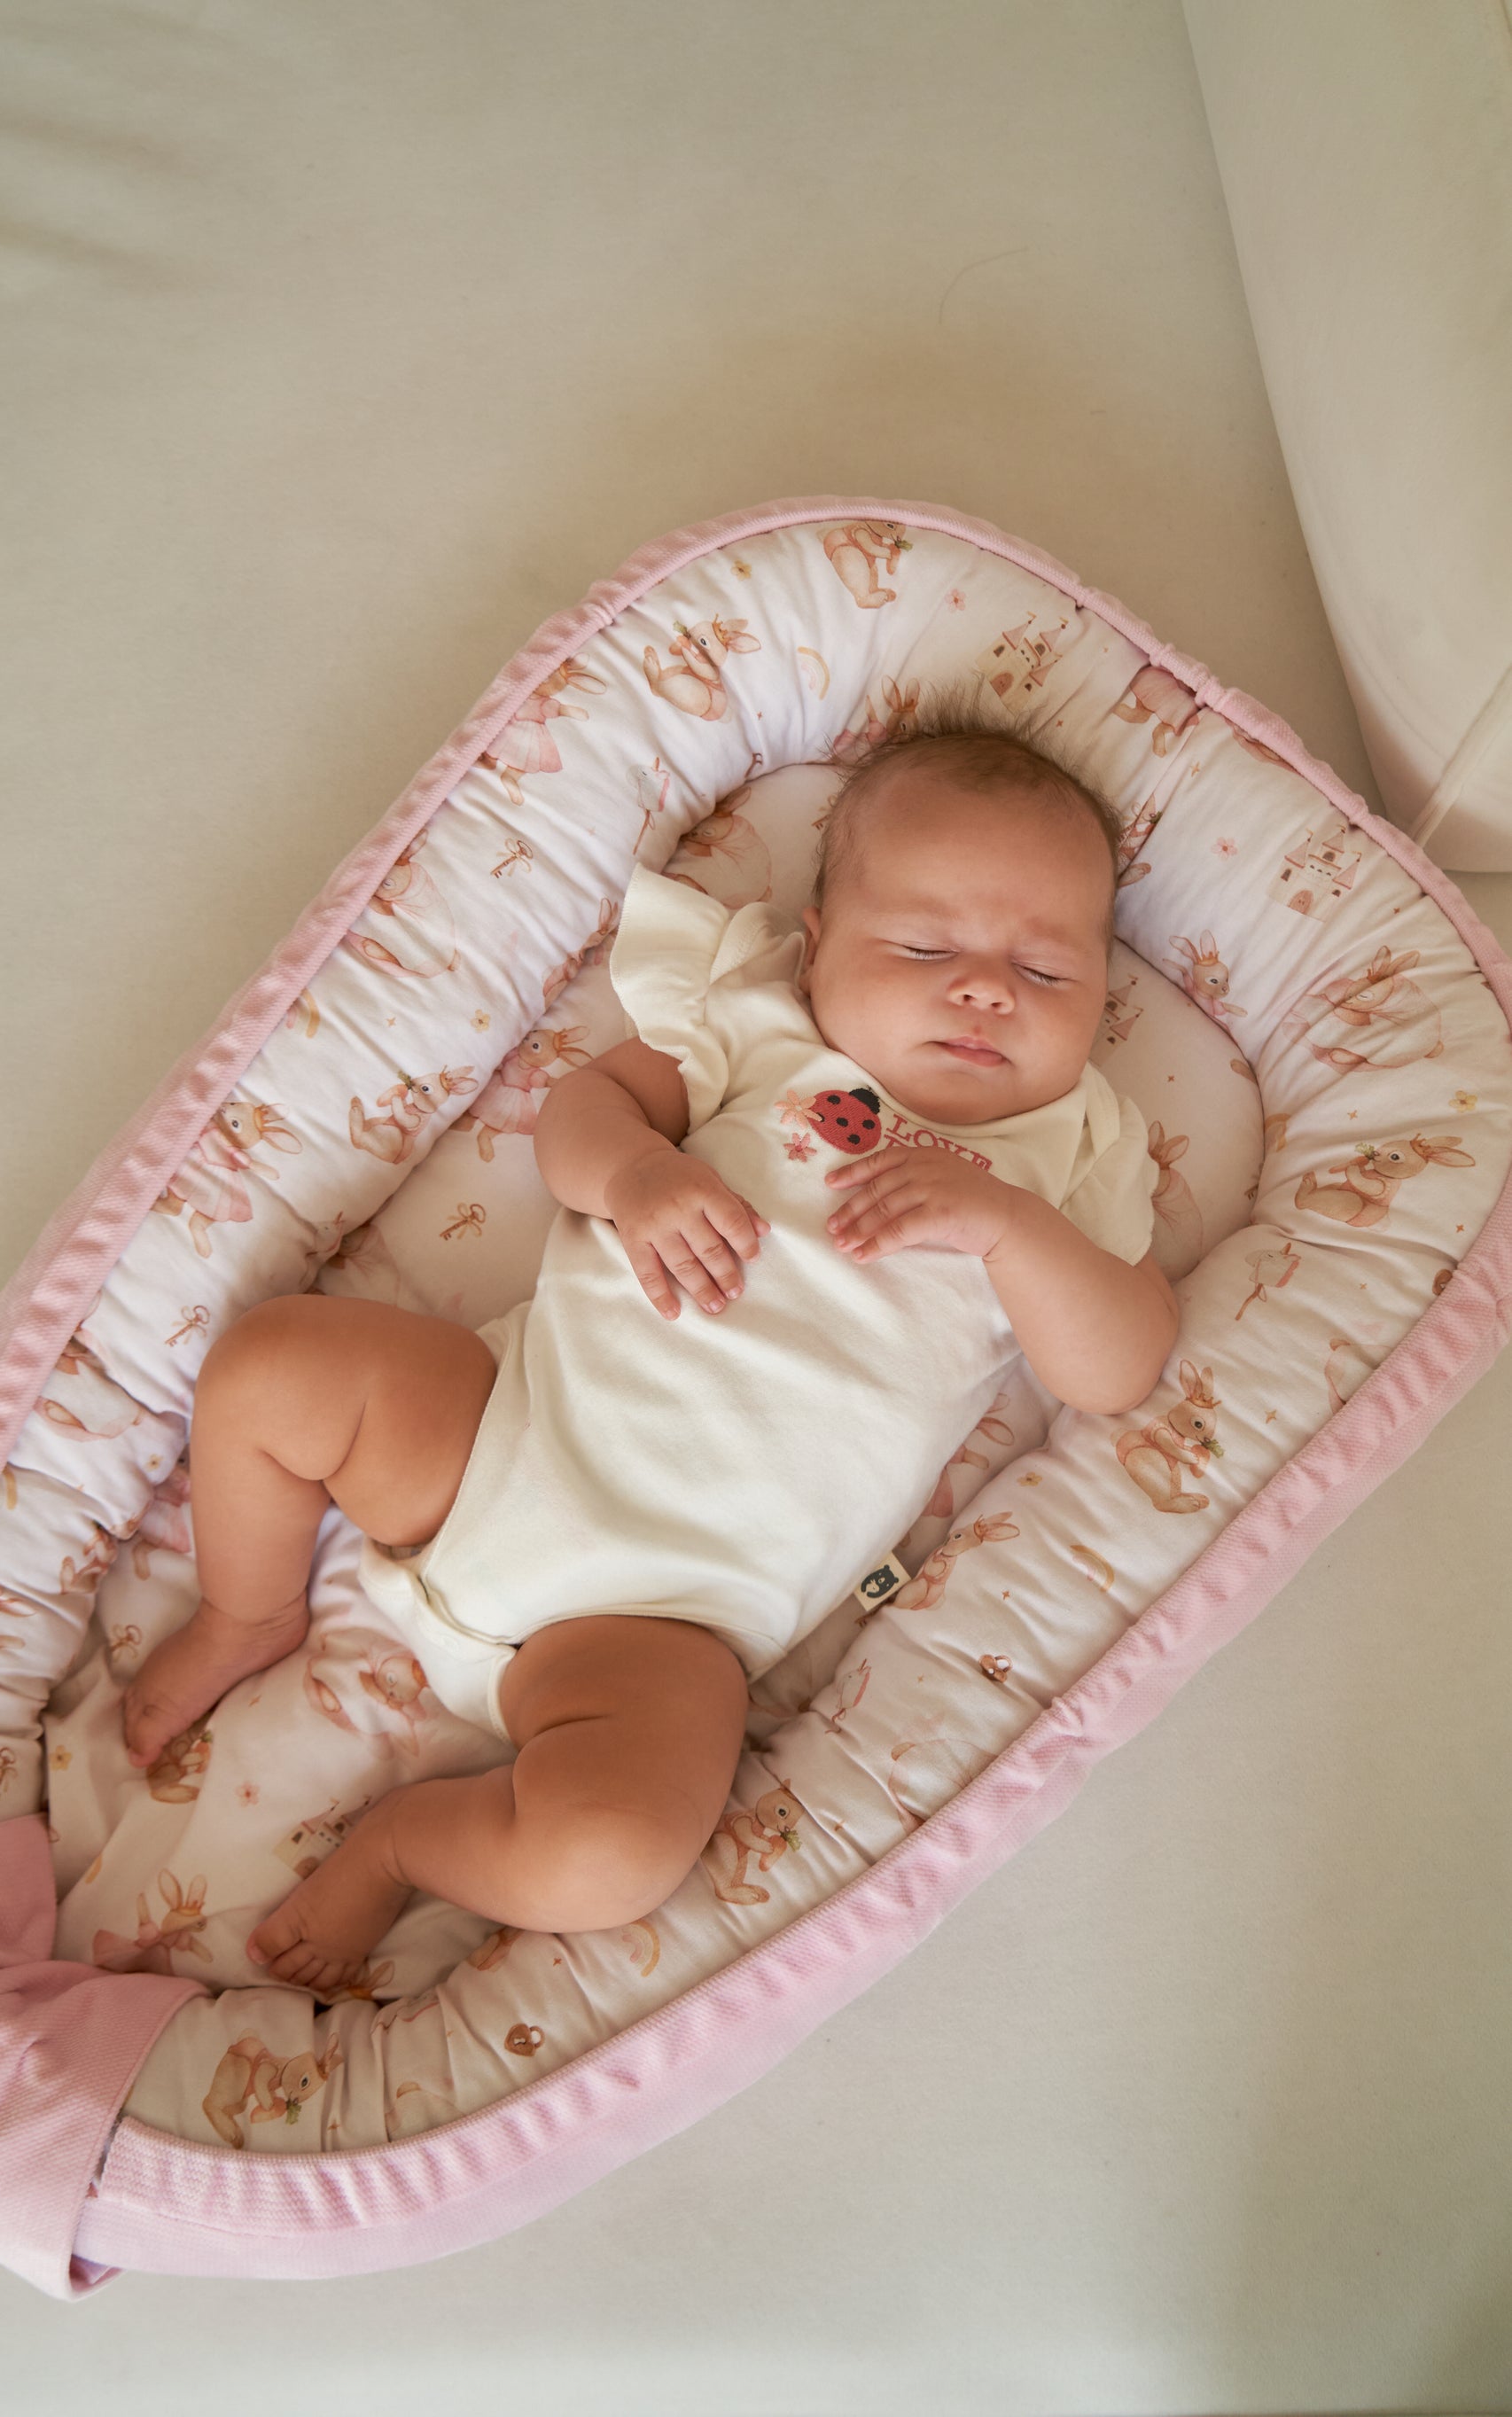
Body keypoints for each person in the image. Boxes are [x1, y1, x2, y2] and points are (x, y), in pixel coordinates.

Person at [121, 723, 1179, 1997]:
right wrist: (633, 1175)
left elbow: (1118, 1366)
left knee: (608, 1857)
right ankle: (248, 1609)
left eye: (1046, 969)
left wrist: (1010, 1229)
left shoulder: (1068, 1154)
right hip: (499, 1436)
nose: (985, 991)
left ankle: (405, 1845)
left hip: (660, 1622)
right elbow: (581, 1115)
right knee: (273, 1368)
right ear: (816, 943)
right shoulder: (762, 1030)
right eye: (924, 948)